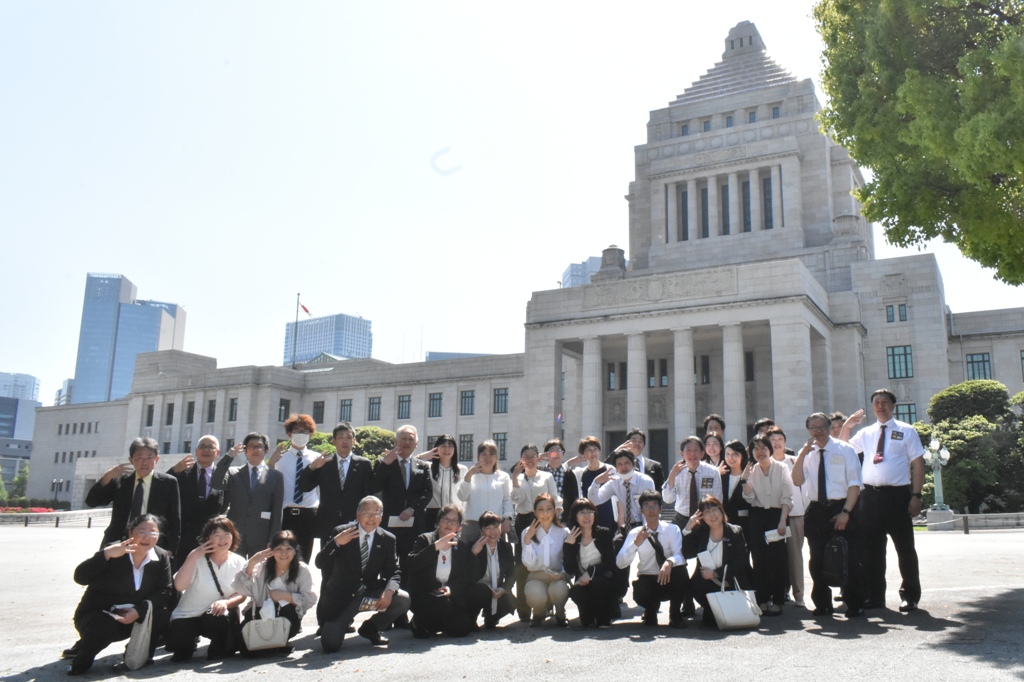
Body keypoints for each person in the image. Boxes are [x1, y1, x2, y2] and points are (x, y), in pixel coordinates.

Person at [844, 389, 926, 612]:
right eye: (877, 403)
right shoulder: (866, 433)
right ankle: (875, 596)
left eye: (885, 402)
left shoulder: (906, 431)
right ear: (872, 407)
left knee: (905, 550)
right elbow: (842, 450)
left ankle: (910, 596)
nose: (881, 406)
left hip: (898, 497)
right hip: (869, 497)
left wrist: (916, 495)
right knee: (872, 551)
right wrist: (847, 427)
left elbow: (918, 464)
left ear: (893, 406)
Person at [67, 514, 174, 675]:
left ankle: (138, 656)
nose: (147, 537)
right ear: (131, 532)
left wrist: (139, 611)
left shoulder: (161, 556)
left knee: (161, 615)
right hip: (100, 616)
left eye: (153, 532)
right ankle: (83, 657)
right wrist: (105, 554)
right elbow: (80, 577)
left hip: (135, 616)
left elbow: (165, 591)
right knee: (102, 626)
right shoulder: (115, 551)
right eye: (142, 531)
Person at [298, 421, 373, 628]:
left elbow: (368, 496)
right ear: (333, 441)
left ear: (354, 441)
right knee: (328, 572)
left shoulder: (364, 464)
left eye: (349, 437)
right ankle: (324, 619)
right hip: (328, 526)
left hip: (353, 526)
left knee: (350, 573)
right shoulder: (324, 463)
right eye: (340, 438)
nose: (345, 441)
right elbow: (303, 486)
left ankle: (345, 618)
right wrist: (312, 467)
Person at [317, 496, 411, 652]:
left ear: (382, 516)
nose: (372, 518)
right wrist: (337, 543)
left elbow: (394, 571)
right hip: (342, 597)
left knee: (402, 599)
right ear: (358, 514)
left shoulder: (388, 539)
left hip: (367, 592)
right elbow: (320, 563)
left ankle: (371, 629)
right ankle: (338, 623)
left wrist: (389, 591)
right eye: (367, 512)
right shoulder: (342, 532)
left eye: (377, 513)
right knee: (330, 644)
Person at [792, 412, 863, 618]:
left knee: (849, 556)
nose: (818, 431)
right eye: (813, 428)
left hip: (842, 506)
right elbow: (796, 481)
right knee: (817, 559)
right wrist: (802, 456)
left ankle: (854, 602)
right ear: (808, 430)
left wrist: (846, 512)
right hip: (816, 509)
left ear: (829, 427)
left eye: (821, 427)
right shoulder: (806, 453)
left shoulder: (845, 449)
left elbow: (854, 484)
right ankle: (822, 603)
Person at [166, 516, 247, 661]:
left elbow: (242, 594)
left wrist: (226, 603)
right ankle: (188, 643)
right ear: (208, 538)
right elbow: (179, 585)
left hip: (215, 613)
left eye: (226, 534)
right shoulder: (197, 558)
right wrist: (192, 557)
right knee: (181, 653)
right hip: (189, 614)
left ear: (233, 536)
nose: (222, 539)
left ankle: (218, 646)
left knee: (217, 619)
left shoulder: (239, 561)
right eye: (217, 535)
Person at [85, 437, 181, 556]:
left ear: (157, 459)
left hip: (153, 545)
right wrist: (107, 477)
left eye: (149, 457)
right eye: (139, 458)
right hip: (119, 543)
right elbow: (92, 502)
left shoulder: (168, 483)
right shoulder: (120, 481)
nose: (144, 462)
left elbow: (174, 520)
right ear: (131, 460)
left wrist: (171, 550)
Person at [233, 530, 317, 654]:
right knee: (242, 648)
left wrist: (286, 596)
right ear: (272, 551)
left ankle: (277, 643)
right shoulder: (262, 567)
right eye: (279, 549)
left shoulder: (302, 570)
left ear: (295, 551)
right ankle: (275, 646)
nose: (284, 553)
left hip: (287, 616)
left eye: (289, 548)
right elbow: (240, 587)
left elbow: (310, 599)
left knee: (287, 610)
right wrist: (251, 562)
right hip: (259, 614)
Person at [615, 491, 688, 628]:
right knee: (641, 591)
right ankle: (650, 610)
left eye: (655, 505)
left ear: (661, 508)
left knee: (681, 573)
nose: (651, 510)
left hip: (668, 576)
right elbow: (620, 563)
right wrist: (635, 544)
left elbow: (680, 556)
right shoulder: (635, 533)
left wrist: (669, 562)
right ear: (641, 510)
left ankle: (675, 615)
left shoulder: (672, 529)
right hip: (648, 579)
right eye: (646, 506)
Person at [407, 504, 481, 638]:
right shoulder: (425, 539)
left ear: (459, 527)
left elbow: (469, 575)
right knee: (442, 606)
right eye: (446, 519)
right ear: (438, 521)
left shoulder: (461, 547)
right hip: (426, 596)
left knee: (462, 629)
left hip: (449, 596)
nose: (449, 524)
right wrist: (435, 547)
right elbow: (412, 565)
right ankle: (417, 622)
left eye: (454, 521)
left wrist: (451, 588)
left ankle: (436, 624)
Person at [370, 425, 432, 583]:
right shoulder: (384, 462)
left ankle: (405, 597)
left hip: (413, 523)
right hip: (389, 523)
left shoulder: (422, 466)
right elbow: (373, 487)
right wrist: (384, 464)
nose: (407, 442)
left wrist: (412, 509)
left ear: (416, 443)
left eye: (411, 439)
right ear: (396, 441)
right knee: (387, 562)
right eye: (403, 438)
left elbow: (427, 493)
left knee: (409, 563)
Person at [740, 433, 792, 615]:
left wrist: (782, 521)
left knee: (777, 560)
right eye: (756, 448)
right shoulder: (751, 471)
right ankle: (762, 600)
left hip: (777, 515)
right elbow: (750, 497)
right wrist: (745, 479)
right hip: (757, 516)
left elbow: (787, 496)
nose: (760, 452)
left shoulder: (782, 468)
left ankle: (777, 600)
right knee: (759, 559)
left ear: (770, 449)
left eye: (764, 448)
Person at [682, 496, 754, 626]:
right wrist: (688, 528)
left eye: (714, 509)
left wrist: (716, 573)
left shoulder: (735, 531)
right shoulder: (701, 532)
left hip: (732, 581)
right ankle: (713, 610)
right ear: (702, 517)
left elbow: (740, 562)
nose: (711, 515)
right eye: (706, 512)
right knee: (695, 586)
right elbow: (687, 553)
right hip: (707, 583)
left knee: (724, 619)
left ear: (721, 510)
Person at [213, 432, 285, 558]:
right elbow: (216, 483)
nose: (255, 450)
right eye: (251, 446)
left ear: (266, 450)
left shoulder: (276, 476)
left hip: (261, 535)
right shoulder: (234, 473)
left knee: (258, 574)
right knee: (235, 573)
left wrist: (274, 538)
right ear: (245, 450)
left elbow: (277, 509)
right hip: (236, 534)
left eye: (259, 446)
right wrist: (229, 457)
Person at [167, 435, 234, 571]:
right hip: (184, 540)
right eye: (202, 447)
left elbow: (223, 506)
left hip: (211, 541)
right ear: (196, 451)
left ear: (218, 452)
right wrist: (173, 471)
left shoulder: (225, 477)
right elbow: (162, 490)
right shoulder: (182, 473)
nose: (206, 450)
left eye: (210, 447)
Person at [510, 444, 559, 621]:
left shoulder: (547, 476)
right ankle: (523, 607)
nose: (530, 459)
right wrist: (515, 478)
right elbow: (516, 500)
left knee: (545, 560)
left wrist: (557, 517)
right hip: (524, 521)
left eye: (533, 456)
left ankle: (547, 604)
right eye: (526, 456)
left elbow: (555, 498)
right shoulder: (518, 478)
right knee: (523, 565)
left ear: (539, 458)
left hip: (544, 520)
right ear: (521, 459)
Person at [268, 413, 320, 565]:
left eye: (304, 431)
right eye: (297, 430)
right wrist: (271, 463)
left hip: (308, 514)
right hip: (285, 514)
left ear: (310, 434)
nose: (301, 434)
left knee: (304, 560)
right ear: (289, 434)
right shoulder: (279, 457)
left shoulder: (316, 458)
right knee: (282, 557)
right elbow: (266, 480)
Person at [767, 425, 808, 608]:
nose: (776, 443)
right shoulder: (764, 464)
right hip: (773, 514)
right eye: (772, 440)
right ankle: (775, 591)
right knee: (774, 556)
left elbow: (804, 486)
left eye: (779, 440)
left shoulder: (794, 461)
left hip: (795, 513)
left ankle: (799, 594)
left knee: (795, 555)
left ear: (785, 443)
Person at [562, 498, 616, 628]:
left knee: (598, 583)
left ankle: (604, 617)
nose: (587, 516)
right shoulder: (572, 537)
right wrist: (568, 546)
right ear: (575, 516)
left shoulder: (604, 533)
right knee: (576, 592)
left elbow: (610, 562)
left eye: (590, 512)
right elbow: (569, 570)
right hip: (582, 582)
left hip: (603, 580)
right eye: (581, 513)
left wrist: (591, 572)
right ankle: (590, 614)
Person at [521, 493, 570, 627]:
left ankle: (560, 612)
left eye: (549, 509)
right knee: (535, 593)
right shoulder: (528, 532)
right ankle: (537, 612)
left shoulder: (564, 532)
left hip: (557, 576)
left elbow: (569, 559)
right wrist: (527, 540)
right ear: (535, 512)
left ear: (555, 511)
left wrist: (563, 574)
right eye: (540, 509)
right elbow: (528, 564)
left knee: (559, 589)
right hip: (537, 576)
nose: (545, 513)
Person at [457, 440, 514, 543]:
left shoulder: (503, 477)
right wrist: (469, 476)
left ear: (496, 457)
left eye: (491, 454)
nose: (488, 458)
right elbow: (462, 497)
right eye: (484, 454)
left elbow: (507, 499)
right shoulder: (470, 475)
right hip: (472, 525)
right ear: (478, 456)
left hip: (495, 526)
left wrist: (507, 519)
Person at [467, 511, 516, 629]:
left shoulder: (506, 547)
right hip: (479, 589)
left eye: (496, 527)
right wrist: (473, 554)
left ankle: (491, 615)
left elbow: (512, 573)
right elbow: (467, 575)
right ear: (481, 530)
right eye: (488, 528)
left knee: (509, 601)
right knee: (480, 592)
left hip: (497, 588)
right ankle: (471, 617)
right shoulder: (473, 546)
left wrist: (504, 589)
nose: (493, 532)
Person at [663, 436, 723, 529]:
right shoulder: (676, 471)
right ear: (682, 454)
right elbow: (668, 499)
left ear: (702, 453)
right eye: (688, 450)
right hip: (682, 519)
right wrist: (672, 476)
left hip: (706, 519)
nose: (692, 454)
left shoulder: (712, 472)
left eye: (696, 450)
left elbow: (718, 499)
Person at [418, 435, 468, 529]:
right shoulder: (428, 467)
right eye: (443, 446)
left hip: (455, 515)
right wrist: (422, 456)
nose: (447, 449)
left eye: (450, 446)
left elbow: (465, 496)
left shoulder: (462, 469)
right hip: (432, 514)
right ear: (437, 448)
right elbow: (410, 463)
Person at [574, 437, 616, 528]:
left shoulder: (610, 470)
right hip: (588, 519)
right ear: (584, 454)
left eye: (595, 449)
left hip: (609, 516)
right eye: (589, 450)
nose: (593, 453)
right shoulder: (579, 473)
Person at [540, 438, 583, 522]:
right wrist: (538, 457)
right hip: (542, 520)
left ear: (563, 454)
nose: (556, 453)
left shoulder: (569, 474)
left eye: (559, 450)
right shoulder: (539, 472)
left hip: (563, 521)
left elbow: (574, 499)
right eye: (552, 450)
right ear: (546, 455)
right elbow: (515, 469)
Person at [721, 440, 752, 542]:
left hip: (745, 524)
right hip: (725, 524)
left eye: (735, 454)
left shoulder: (749, 474)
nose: (731, 458)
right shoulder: (721, 476)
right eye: (728, 454)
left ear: (742, 455)